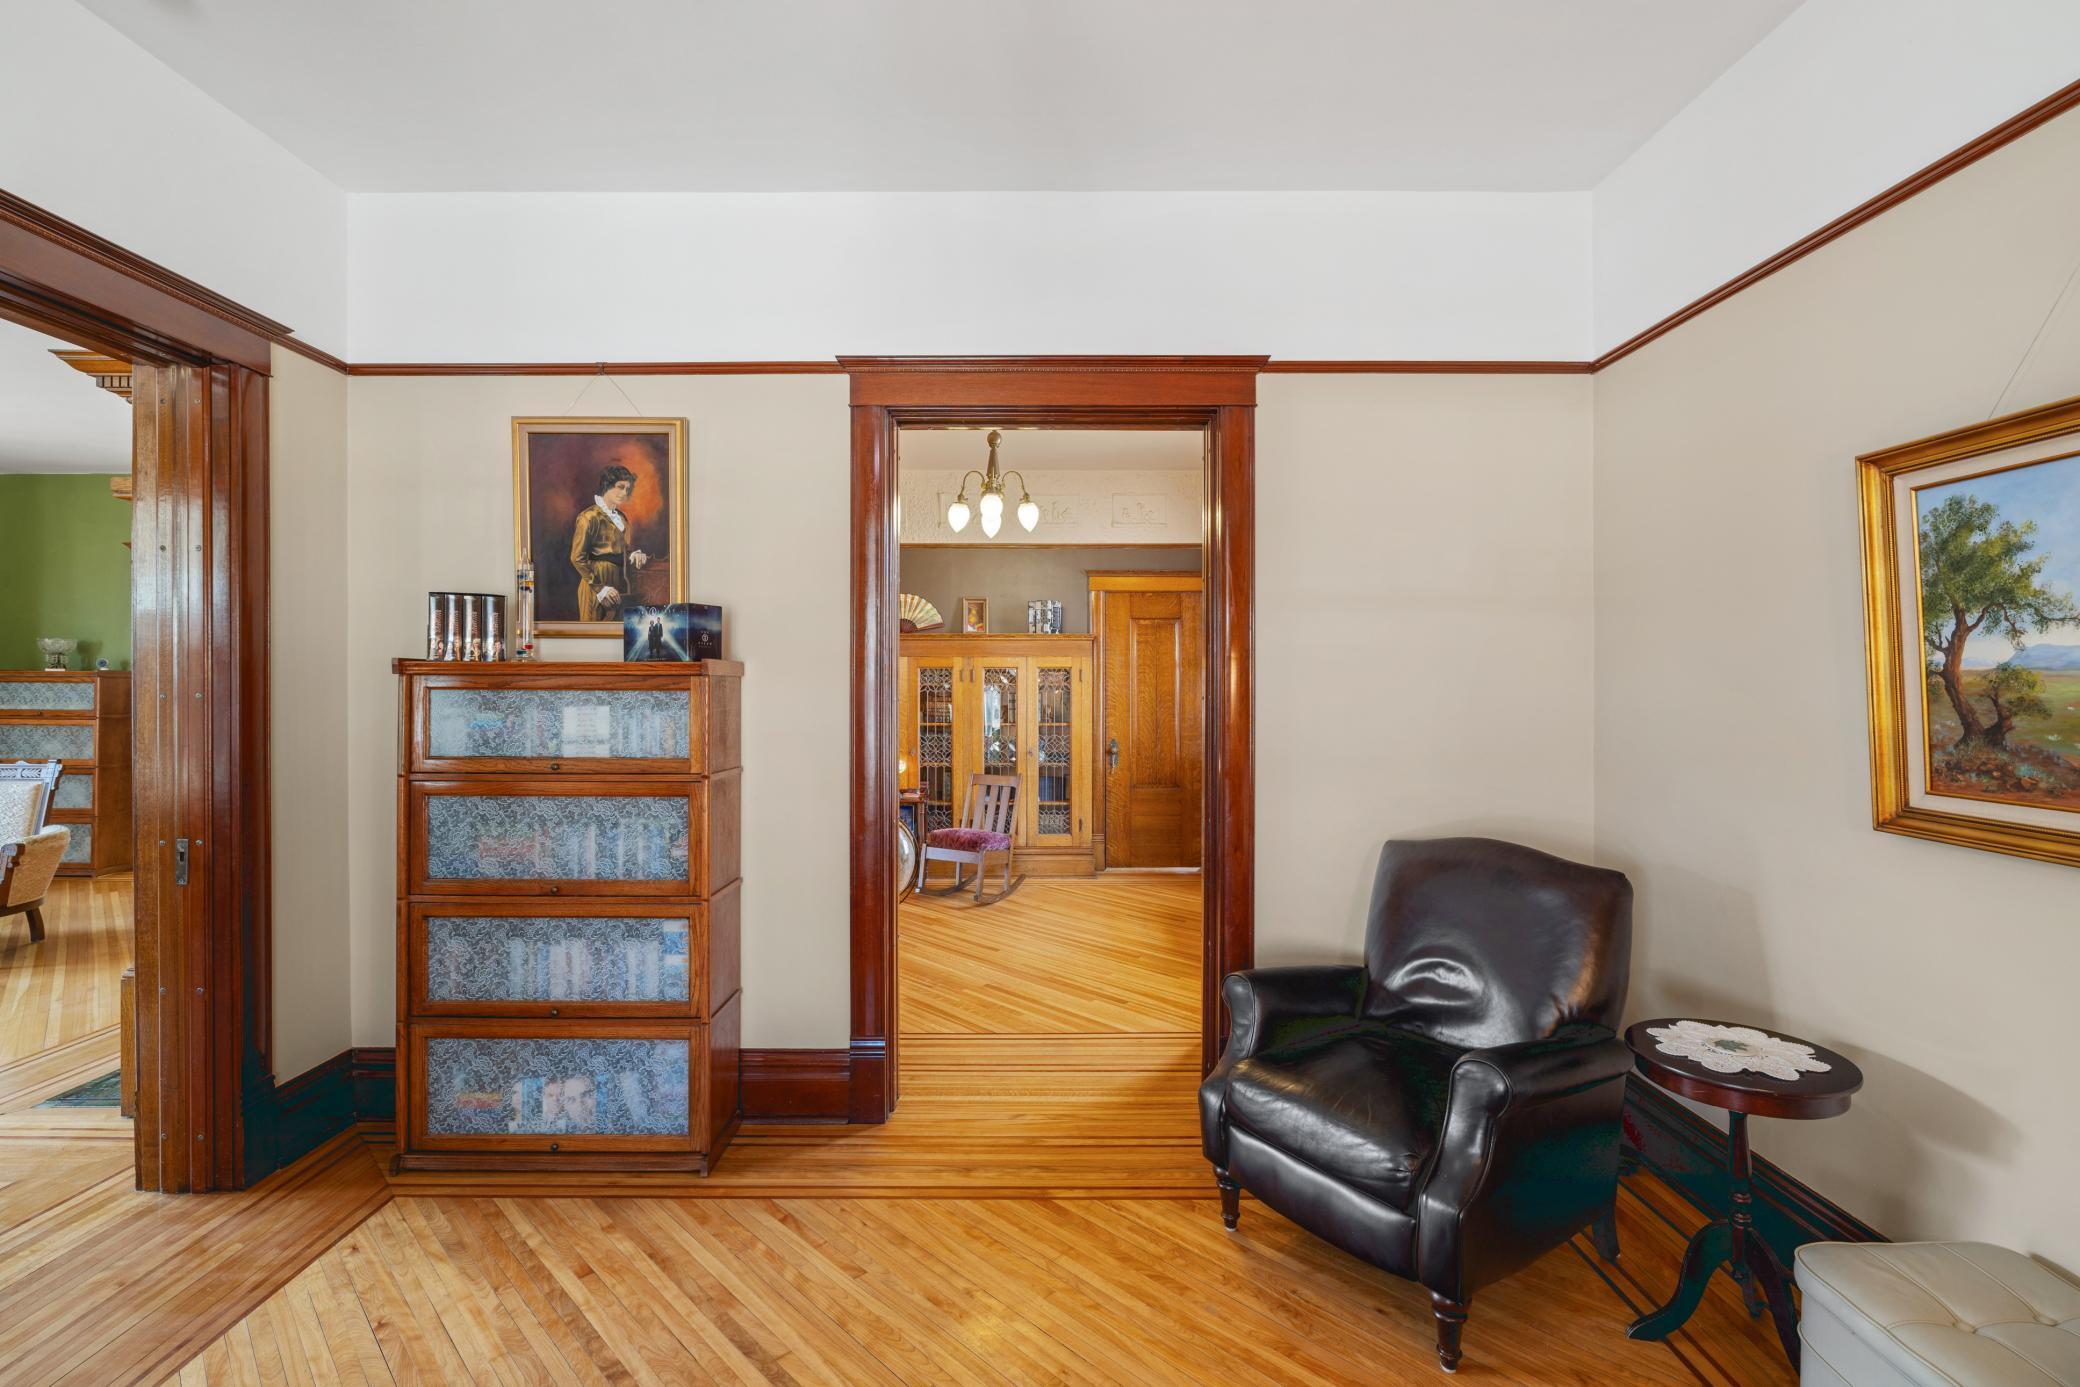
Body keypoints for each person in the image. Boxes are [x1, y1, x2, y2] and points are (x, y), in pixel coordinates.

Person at [568, 458, 650, 622]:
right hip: (595, 583)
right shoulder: (588, 517)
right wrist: (600, 589)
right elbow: (577, 558)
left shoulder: (621, 518)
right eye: (620, 487)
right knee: (593, 633)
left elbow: (623, 548)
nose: (625, 493)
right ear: (607, 486)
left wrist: (633, 554)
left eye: (627, 489)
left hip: (619, 581)